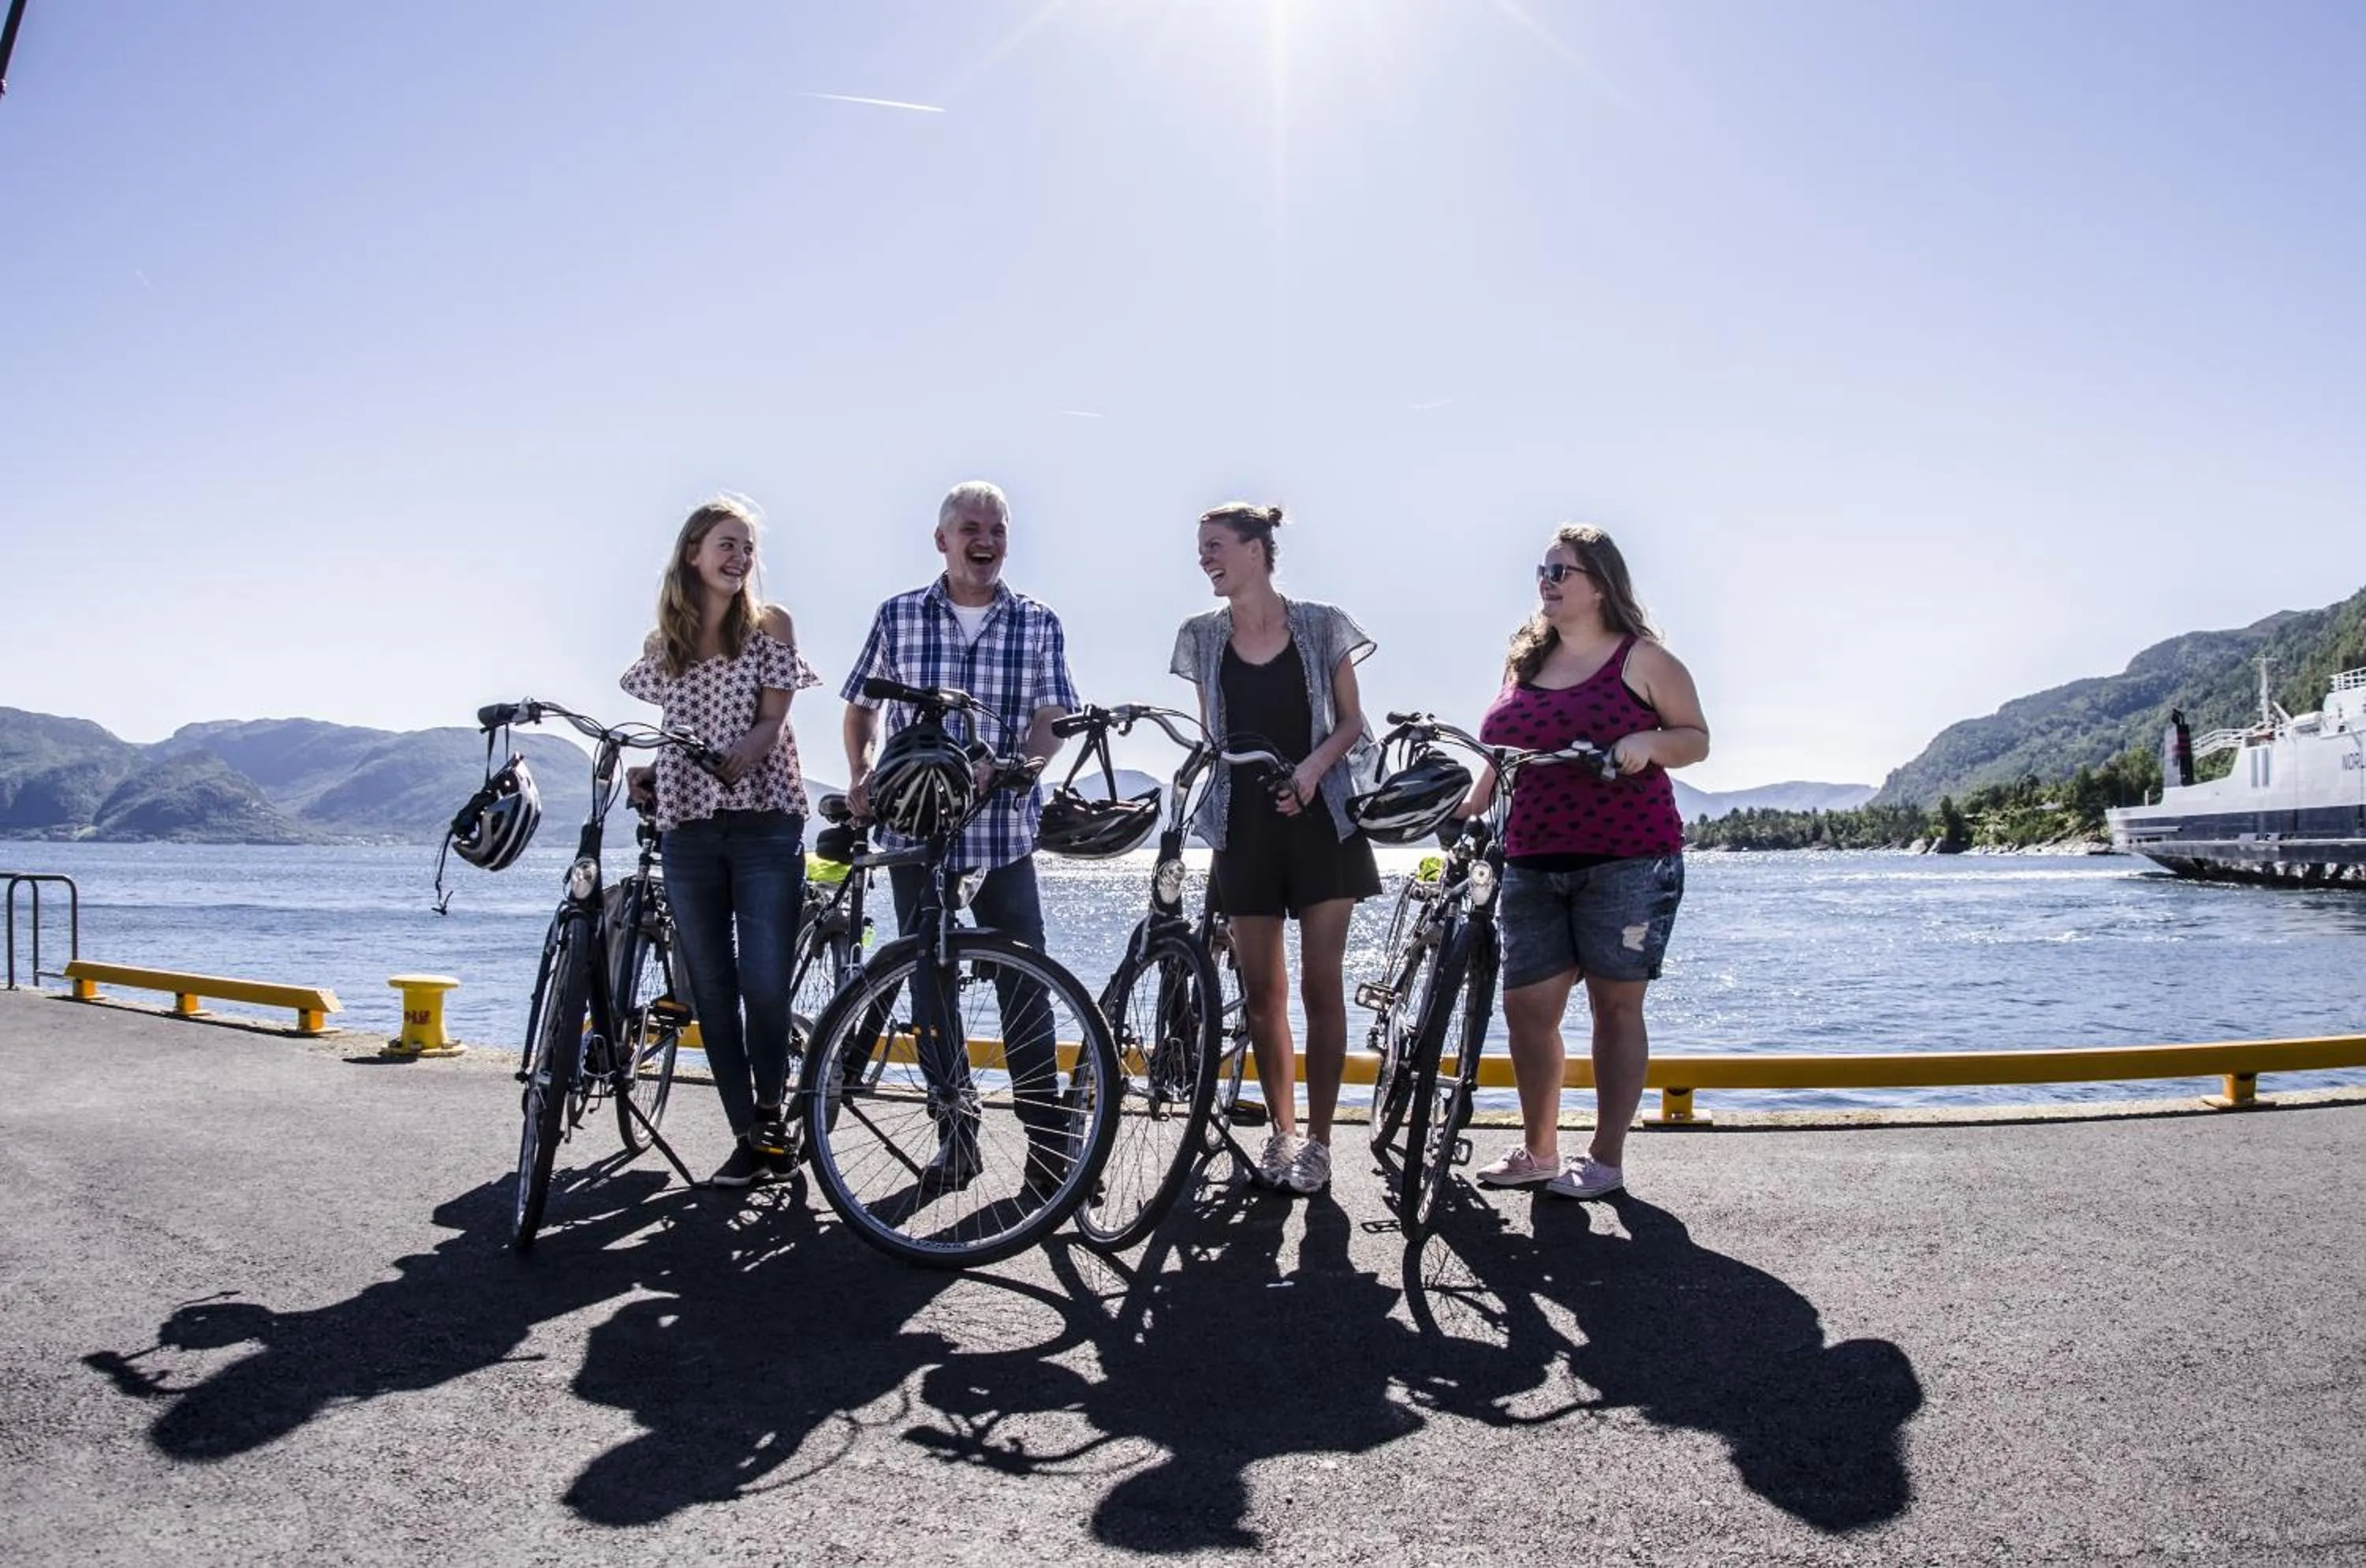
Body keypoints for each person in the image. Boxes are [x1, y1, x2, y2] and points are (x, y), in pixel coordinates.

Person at [839, 480, 1081, 1193]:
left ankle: (1048, 1145)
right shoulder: (899, 615)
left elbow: (1052, 717)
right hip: (917, 831)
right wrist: (860, 773)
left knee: (1024, 985)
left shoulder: (1039, 622)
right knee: (931, 990)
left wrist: (1020, 768)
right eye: (972, 527)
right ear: (942, 539)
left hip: (1003, 832)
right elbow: (861, 708)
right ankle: (956, 1136)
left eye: (998, 529)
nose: (986, 540)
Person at [1469, 524, 1708, 1201]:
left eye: (1562, 571)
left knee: (1615, 1007)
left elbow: (1695, 739)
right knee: (1526, 1008)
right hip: (1532, 854)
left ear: (1600, 584)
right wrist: (1467, 809)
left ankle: (1604, 1160)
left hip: (1627, 859)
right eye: (1542, 569)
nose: (1546, 581)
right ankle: (1539, 1151)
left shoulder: (1644, 660)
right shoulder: (1523, 660)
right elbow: (1499, 756)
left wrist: (1644, 741)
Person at [1170, 503, 1381, 1197]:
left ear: (1257, 551)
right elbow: (1215, 739)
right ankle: (1282, 1134)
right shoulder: (1201, 637)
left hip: (1324, 821)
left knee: (1323, 983)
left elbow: (1352, 721)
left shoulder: (1320, 624)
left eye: (1216, 546)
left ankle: (1320, 1142)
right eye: (1201, 548)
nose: (1205, 558)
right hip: (1245, 826)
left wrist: (1312, 773)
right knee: (1264, 993)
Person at [620, 495, 823, 1189]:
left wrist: (742, 752)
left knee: (765, 984)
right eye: (726, 546)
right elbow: (674, 727)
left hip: (765, 815)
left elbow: (773, 719)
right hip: (689, 822)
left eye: (746, 548)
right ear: (693, 554)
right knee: (711, 986)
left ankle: (772, 1112)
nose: (739, 559)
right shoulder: (666, 644)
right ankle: (750, 1135)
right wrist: (649, 769)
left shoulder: (772, 625)